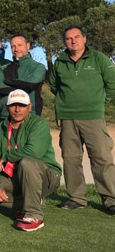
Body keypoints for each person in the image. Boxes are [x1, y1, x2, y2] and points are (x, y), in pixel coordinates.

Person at [49, 25, 115, 214]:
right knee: (71, 159)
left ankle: (110, 199)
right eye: (69, 38)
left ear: (84, 38)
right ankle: (76, 198)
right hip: (67, 117)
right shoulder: (60, 62)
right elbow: (54, 86)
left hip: (93, 117)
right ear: (64, 42)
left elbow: (112, 83)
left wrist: (100, 101)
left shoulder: (98, 59)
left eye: (77, 37)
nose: (73, 41)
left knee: (101, 158)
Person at [0, 90, 61, 232]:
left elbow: (34, 152)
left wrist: (8, 155)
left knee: (27, 162)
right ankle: (32, 203)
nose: (17, 109)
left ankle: (34, 215)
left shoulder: (38, 124)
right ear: (7, 107)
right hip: (16, 178)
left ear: (29, 107)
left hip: (46, 177)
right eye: (13, 105)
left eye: (21, 105)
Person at [0, 35, 46, 118]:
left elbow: (31, 84)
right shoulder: (4, 68)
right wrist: (20, 88)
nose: (16, 49)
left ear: (28, 46)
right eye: (13, 46)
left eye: (20, 45)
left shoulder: (38, 67)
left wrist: (8, 82)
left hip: (30, 115)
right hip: (6, 115)